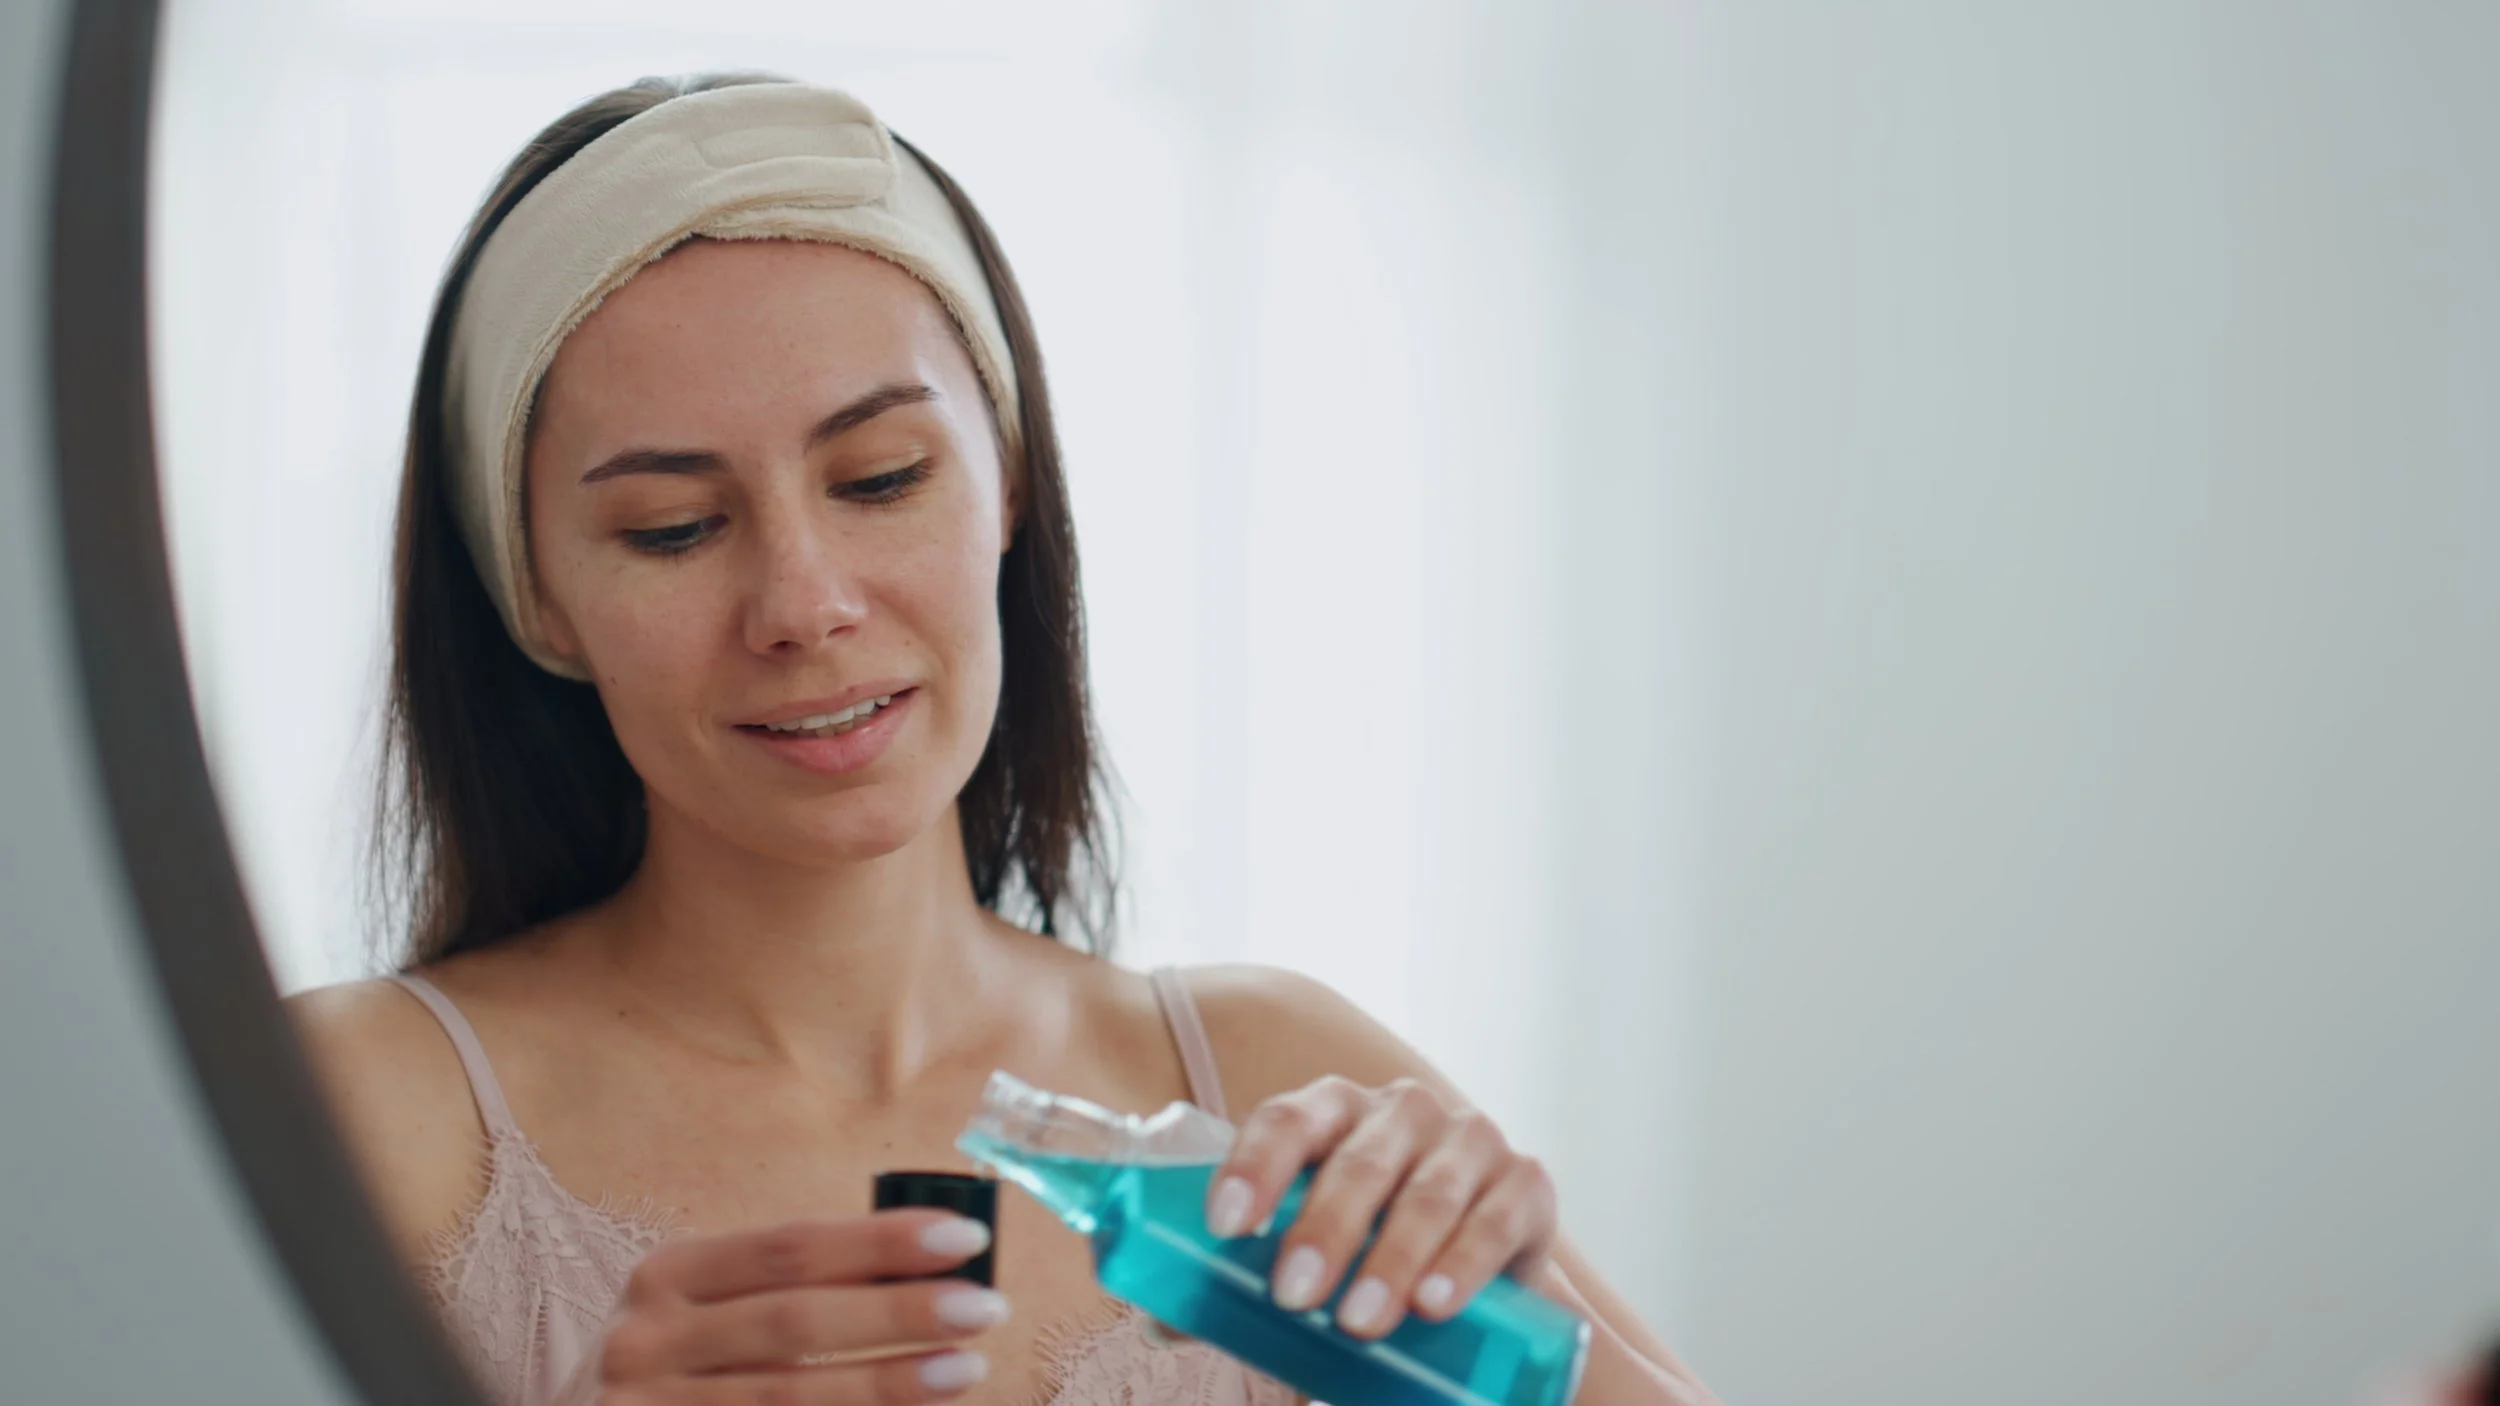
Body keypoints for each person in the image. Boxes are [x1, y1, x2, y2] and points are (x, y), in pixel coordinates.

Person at [286, 72, 1716, 1406]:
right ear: (536, 594)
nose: (805, 603)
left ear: (1011, 479)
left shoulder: (1263, 1079)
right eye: (674, 527)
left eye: (882, 476)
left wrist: (1534, 1341)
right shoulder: (365, 1120)